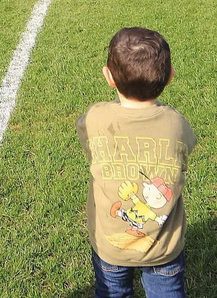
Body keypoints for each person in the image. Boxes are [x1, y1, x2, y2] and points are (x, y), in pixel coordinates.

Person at [78, 28, 196, 298]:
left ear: (108, 76)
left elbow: (86, 139)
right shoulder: (176, 124)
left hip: (109, 246)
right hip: (164, 247)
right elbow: (188, 146)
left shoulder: (96, 118)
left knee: (112, 293)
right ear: (169, 77)